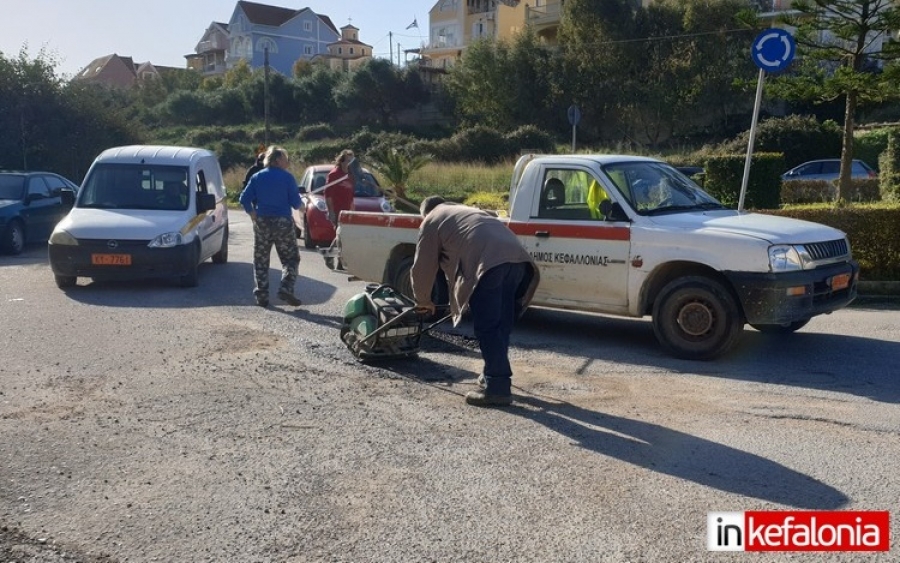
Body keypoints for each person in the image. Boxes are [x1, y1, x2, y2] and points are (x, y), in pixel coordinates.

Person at [411, 196, 539, 407]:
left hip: (489, 265)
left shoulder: (431, 220)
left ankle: (497, 388)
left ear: (425, 213)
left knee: (487, 326)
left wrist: (423, 300)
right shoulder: (468, 211)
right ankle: (492, 373)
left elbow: (423, 265)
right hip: (519, 261)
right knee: (501, 324)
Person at [238, 146, 303, 308]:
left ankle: (262, 295)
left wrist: (253, 214)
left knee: (261, 259)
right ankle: (286, 288)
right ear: (277, 160)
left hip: (262, 222)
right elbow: (296, 204)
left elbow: (244, 199)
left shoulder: (257, 177)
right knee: (291, 259)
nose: (288, 161)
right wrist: (303, 205)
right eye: (285, 158)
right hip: (282, 222)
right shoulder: (287, 178)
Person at [324, 149, 356, 228]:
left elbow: (350, 195)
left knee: (345, 236)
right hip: (337, 211)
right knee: (340, 234)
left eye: (352, 161)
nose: (350, 164)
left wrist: (353, 210)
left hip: (348, 211)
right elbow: (328, 194)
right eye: (348, 161)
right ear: (342, 162)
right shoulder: (334, 174)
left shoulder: (351, 175)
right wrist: (331, 211)